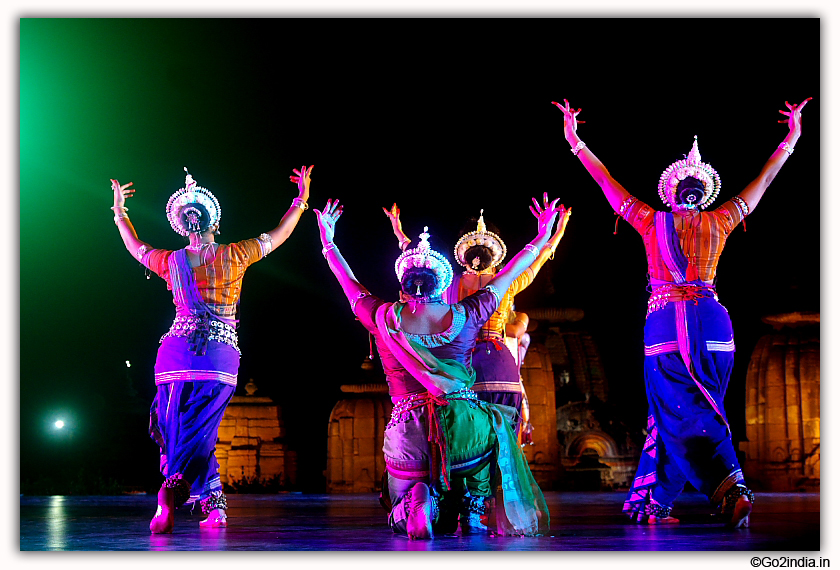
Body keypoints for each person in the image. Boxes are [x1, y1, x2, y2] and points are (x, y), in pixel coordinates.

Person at [552, 97, 811, 529]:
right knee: (697, 408)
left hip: (668, 324)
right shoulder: (723, 219)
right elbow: (764, 180)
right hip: (712, 324)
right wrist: (791, 139)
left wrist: (576, 142)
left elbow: (607, 181)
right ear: (703, 194)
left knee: (679, 410)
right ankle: (656, 502)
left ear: (671, 193)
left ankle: (732, 489)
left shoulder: (652, 222)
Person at [316, 195, 563, 539]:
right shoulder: (469, 312)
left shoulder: (383, 316)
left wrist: (329, 242)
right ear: (444, 285)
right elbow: (512, 272)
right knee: (494, 430)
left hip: (410, 429)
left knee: (399, 492)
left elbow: (348, 280)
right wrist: (542, 235)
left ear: (404, 285)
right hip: (465, 425)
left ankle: (416, 501)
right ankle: (474, 512)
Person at [111, 164, 312, 533]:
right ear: (213, 223)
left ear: (182, 225)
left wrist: (120, 211)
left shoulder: (171, 262)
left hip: (175, 350)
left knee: (176, 426)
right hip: (218, 352)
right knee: (202, 428)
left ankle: (179, 492)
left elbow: (135, 247)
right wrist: (300, 200)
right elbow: (279, 235)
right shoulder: (236, 254)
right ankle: (203, 502)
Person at [383, 206, 571, 440]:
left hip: (461, 362)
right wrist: (556, 228)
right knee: (507, 436)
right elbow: (538, 256)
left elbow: (422, 263)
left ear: (464, 257)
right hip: (500, 362)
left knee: (466, 439)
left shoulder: (450, 285)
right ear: (495, 257)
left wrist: (399, 232)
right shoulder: (506, 283)